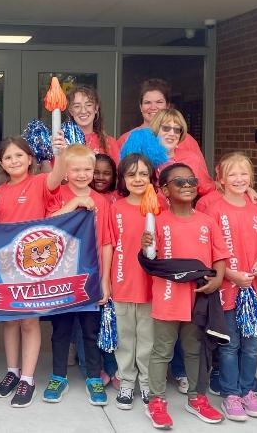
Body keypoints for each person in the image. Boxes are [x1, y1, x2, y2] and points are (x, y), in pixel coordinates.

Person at [142, 163, 227, 428]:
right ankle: (156, 401)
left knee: (195, 349)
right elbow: (150, 260)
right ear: (164, 190)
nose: (188, 185)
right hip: (168, 296)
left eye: (191, 180)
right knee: (162, 350)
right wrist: (146, 247)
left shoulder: (207, 221)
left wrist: (219, 279)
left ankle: (197, 397)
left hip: (199, 297)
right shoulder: (158, 221)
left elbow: (220, 256)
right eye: (179, 182)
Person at [0, 136, 66, 407]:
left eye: (19, 155)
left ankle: (28, 378)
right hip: (7, 264)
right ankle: (12, 371)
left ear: (30, 158)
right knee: (10, 321)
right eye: (8, 157)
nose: (14, 161)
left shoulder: (40, 182)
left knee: (30, 321)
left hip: (35, 264)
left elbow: (58, 174)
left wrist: (61, 151)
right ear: (1, 163)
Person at [198, 152, 257, 421]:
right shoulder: (213, 209)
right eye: (233, 174)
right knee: (229, 345)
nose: (239, 179)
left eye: (244, 174)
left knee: (251, 345)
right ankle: (230, 393)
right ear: (221, 179)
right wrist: (229, 274)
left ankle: (247, 389)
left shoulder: (256, 211)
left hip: (252, 290)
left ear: (250, 178)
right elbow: (206, 251)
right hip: (227, 288)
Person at [43, 144, 113, 406]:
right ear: (66, 171)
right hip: (61, 275)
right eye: (76, 169)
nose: (82, 174)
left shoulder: (102, 201)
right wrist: (73, 203)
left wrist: (104, 281)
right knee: (61, 329)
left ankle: (94, 377)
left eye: (87, 169)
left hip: (90, 274)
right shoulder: (57, 195)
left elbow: (106, 242)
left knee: (89, 330)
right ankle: (58, 375)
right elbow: (46, 225)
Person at [108, 153, 158, 410]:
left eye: (143, 173)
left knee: (148, 337)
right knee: (125, 337)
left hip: (152, 286)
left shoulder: (162, 207)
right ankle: (126, 380)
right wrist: (107, 283)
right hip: (123, 281)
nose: (138, 179)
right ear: (123, 179)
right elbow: (109, 246)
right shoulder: (115, 208)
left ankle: (148, 382)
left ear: (151, 177)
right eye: (131, 174)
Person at [116, 78, 203, 161]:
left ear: (168, 105)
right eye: (147, 102)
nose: (153, 107)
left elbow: (200, 174)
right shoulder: (126, 139)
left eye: (159, 102)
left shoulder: (186, 140)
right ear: (140, 107)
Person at [68, 86, 120, 160]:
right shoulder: (63, 142)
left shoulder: (109, 143)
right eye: (77, 106)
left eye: (88, 105)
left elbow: (117, 171)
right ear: (71, 111)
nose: (83, 111)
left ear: (96, 108)